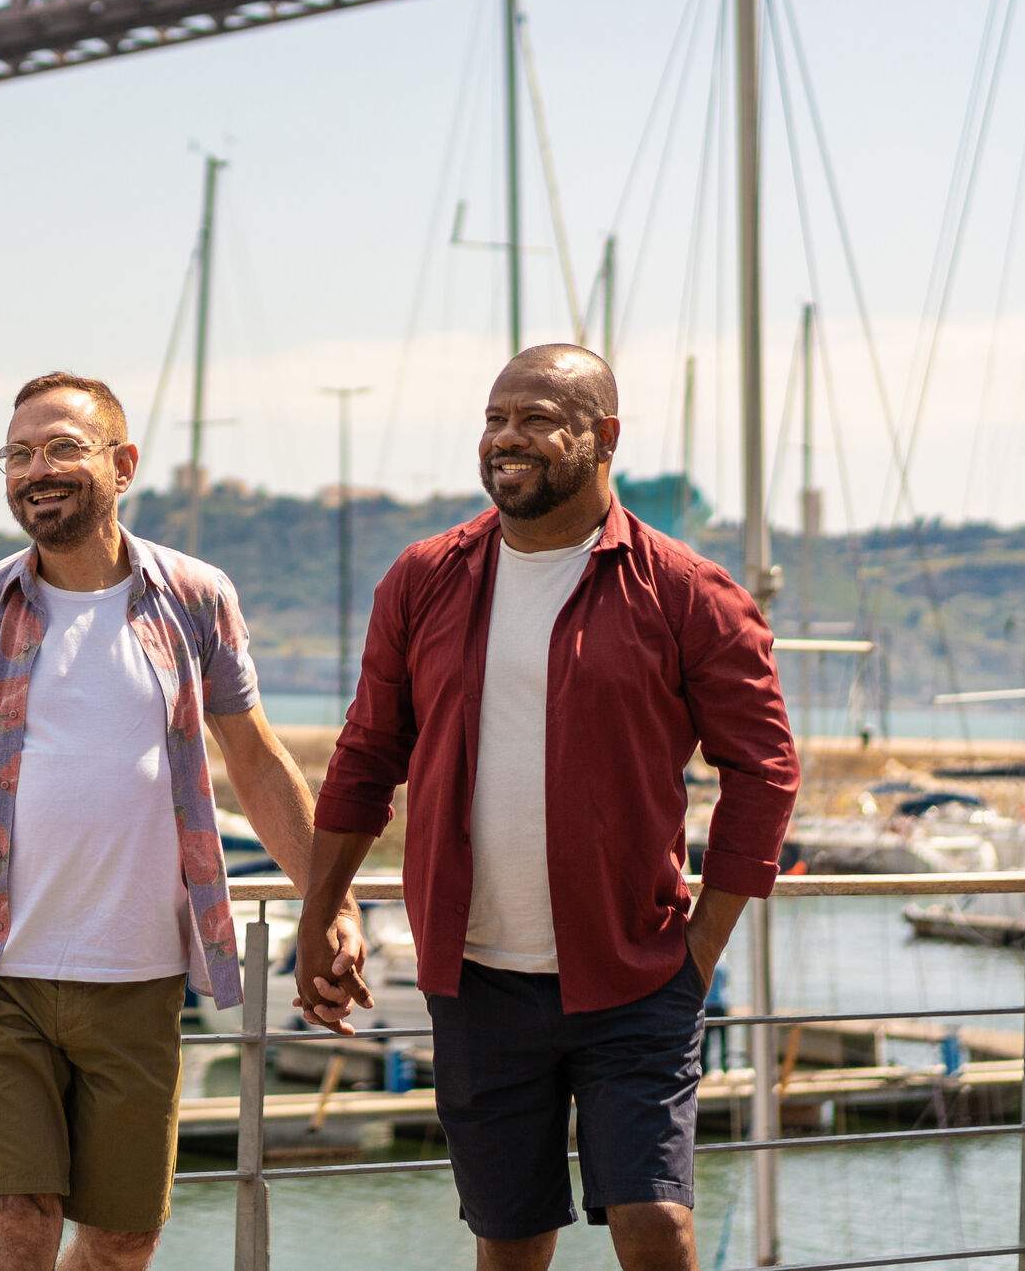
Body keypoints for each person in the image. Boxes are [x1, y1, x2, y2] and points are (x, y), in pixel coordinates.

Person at [295, 345, 797, 1271]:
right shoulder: (424, 578)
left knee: (657, 1222)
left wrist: (702, 947)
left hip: (636, 976)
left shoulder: (687, 592)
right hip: (475, 978)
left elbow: (764, 770)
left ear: (603, 436)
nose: (506, 440)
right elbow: (367, 755)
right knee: (511, 1238)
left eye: (535, 419)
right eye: (495, 419)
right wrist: (319, 912)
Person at [0, 371, 366, 1271]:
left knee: (126, 1239)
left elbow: (253, 759)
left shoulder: (196, 596)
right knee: (19, 1225)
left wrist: (330, 902)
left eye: (61, 447)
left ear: (122, 463)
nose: (35, 469)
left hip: (139, 975)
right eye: (18, 454)